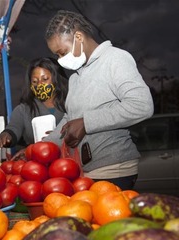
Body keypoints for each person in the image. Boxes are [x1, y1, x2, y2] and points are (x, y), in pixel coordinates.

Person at [43, 10, 154, 190]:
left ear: (78, 37)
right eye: (57, 55)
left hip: (113, 169)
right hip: (84, 171)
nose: (60, 60)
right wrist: (39, 148)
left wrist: (87, 122)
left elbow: (142, 105)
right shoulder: (75, 77)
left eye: (62, 52)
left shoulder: (115, 59)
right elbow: (69, 120)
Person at [0, 57, 68, 157]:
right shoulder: (23, 110)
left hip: (69, 162)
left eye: (45, 79)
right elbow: (14, 127)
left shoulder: (70, 103)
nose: (40, 85)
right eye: (35, 82)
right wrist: (7, 135)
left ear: (56, 78)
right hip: (37, 164)